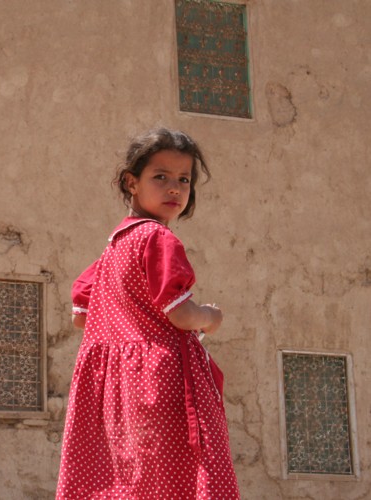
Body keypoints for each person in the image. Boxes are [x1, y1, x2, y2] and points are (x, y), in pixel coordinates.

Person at [56, 127, 239, 499]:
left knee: (126, 483)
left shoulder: (110, 253)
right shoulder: (157, 238)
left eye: (184, 180)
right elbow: (181, 316)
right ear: (131, 182)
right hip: (160, 384)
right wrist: (208, 315)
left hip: (113, 394)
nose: (175, 188)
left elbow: (81, 318)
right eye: (161, 177)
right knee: (176, 480)